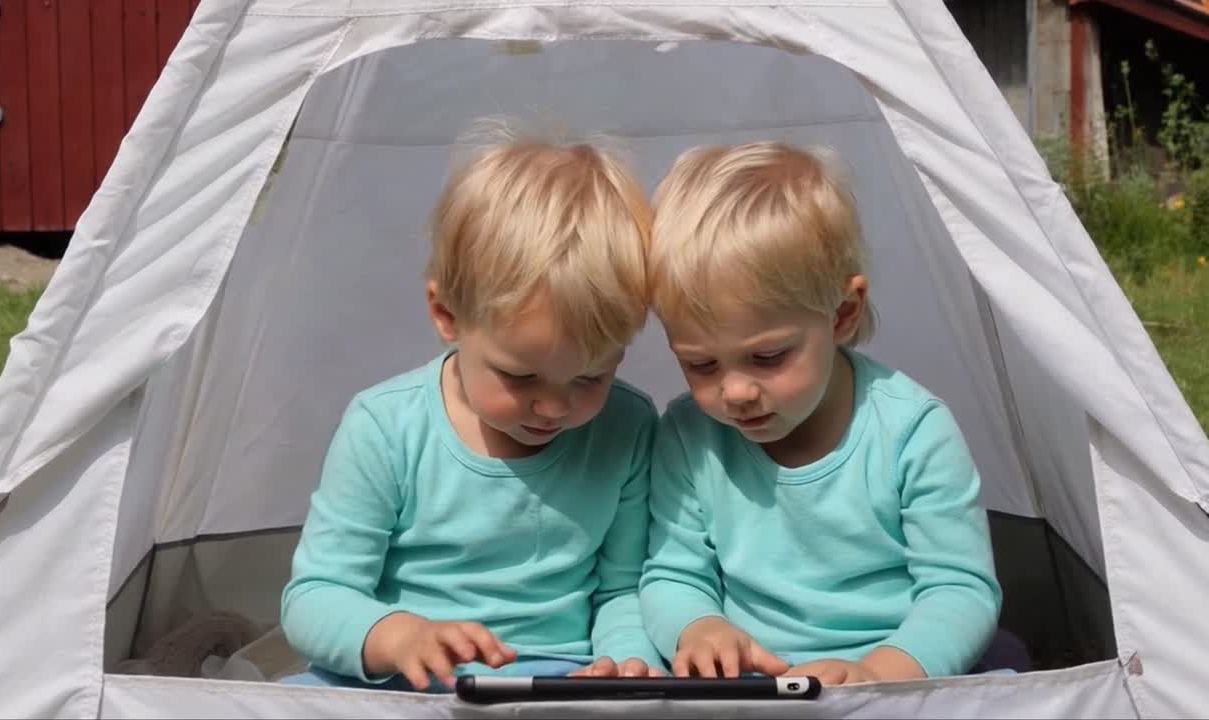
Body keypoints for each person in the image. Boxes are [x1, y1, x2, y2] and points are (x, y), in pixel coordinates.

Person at [277, 120, 664, 693]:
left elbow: (622, 590)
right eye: (519, 375)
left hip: (554, 680)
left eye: (591, 376)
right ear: (448, 315)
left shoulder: (627, 426)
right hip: (400, 680)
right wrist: (397, 635)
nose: (553, 406)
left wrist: (628, 661)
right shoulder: (386, 426)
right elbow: (315, 598)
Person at [638, 142, 1002, 686]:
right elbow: (671, 573)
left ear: (842, 314)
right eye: (701, 363)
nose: (735, 391)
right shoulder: (690, 436)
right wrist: (699, 628)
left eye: (767, 357)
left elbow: (960, 590)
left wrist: (880, 672)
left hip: (890, 683)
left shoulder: (911, 432)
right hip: (753, 687)